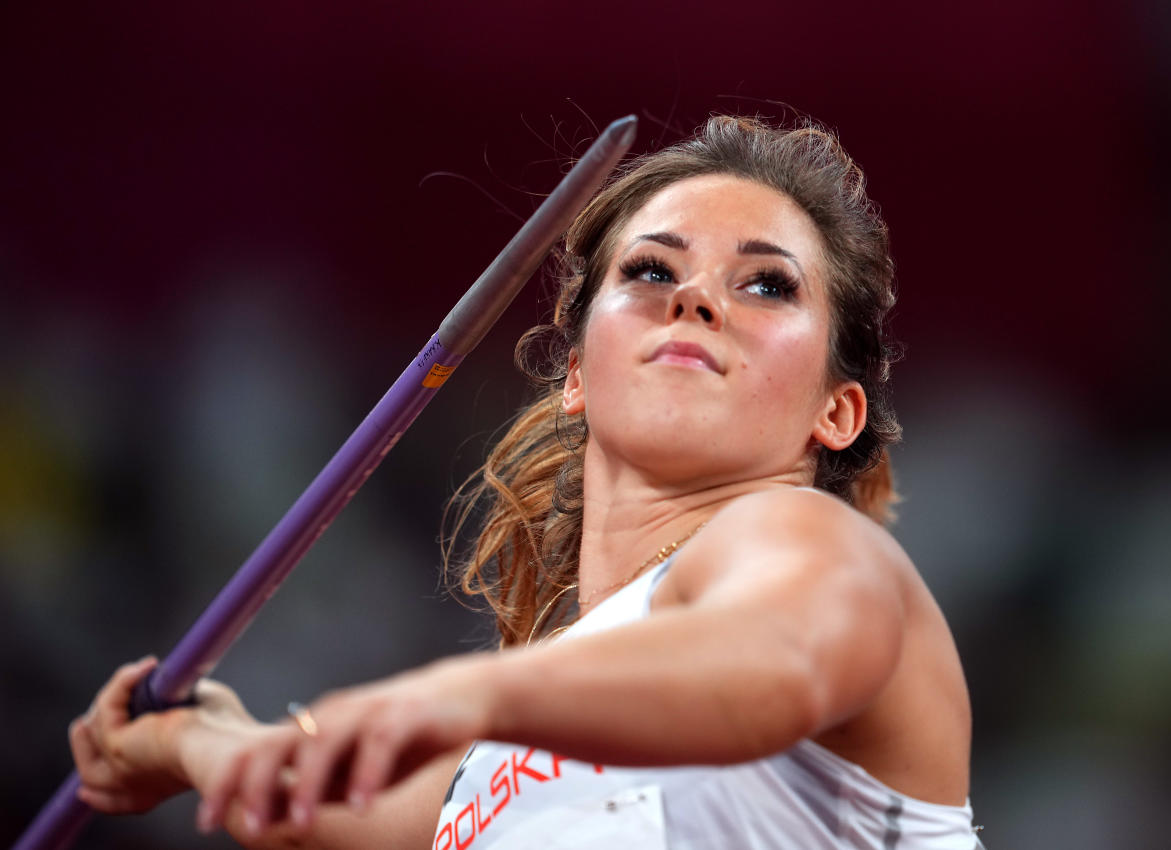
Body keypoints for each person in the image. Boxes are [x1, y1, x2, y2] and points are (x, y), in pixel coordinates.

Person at [70, 116, 983, 849]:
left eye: (768, 286)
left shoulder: (809, 541)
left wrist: (466, 695)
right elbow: (320, 801)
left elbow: (780, 660)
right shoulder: (517, 746)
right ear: (577, 372)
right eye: (653, 269)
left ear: (837, 413)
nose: (696, 298)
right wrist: (190, 741)